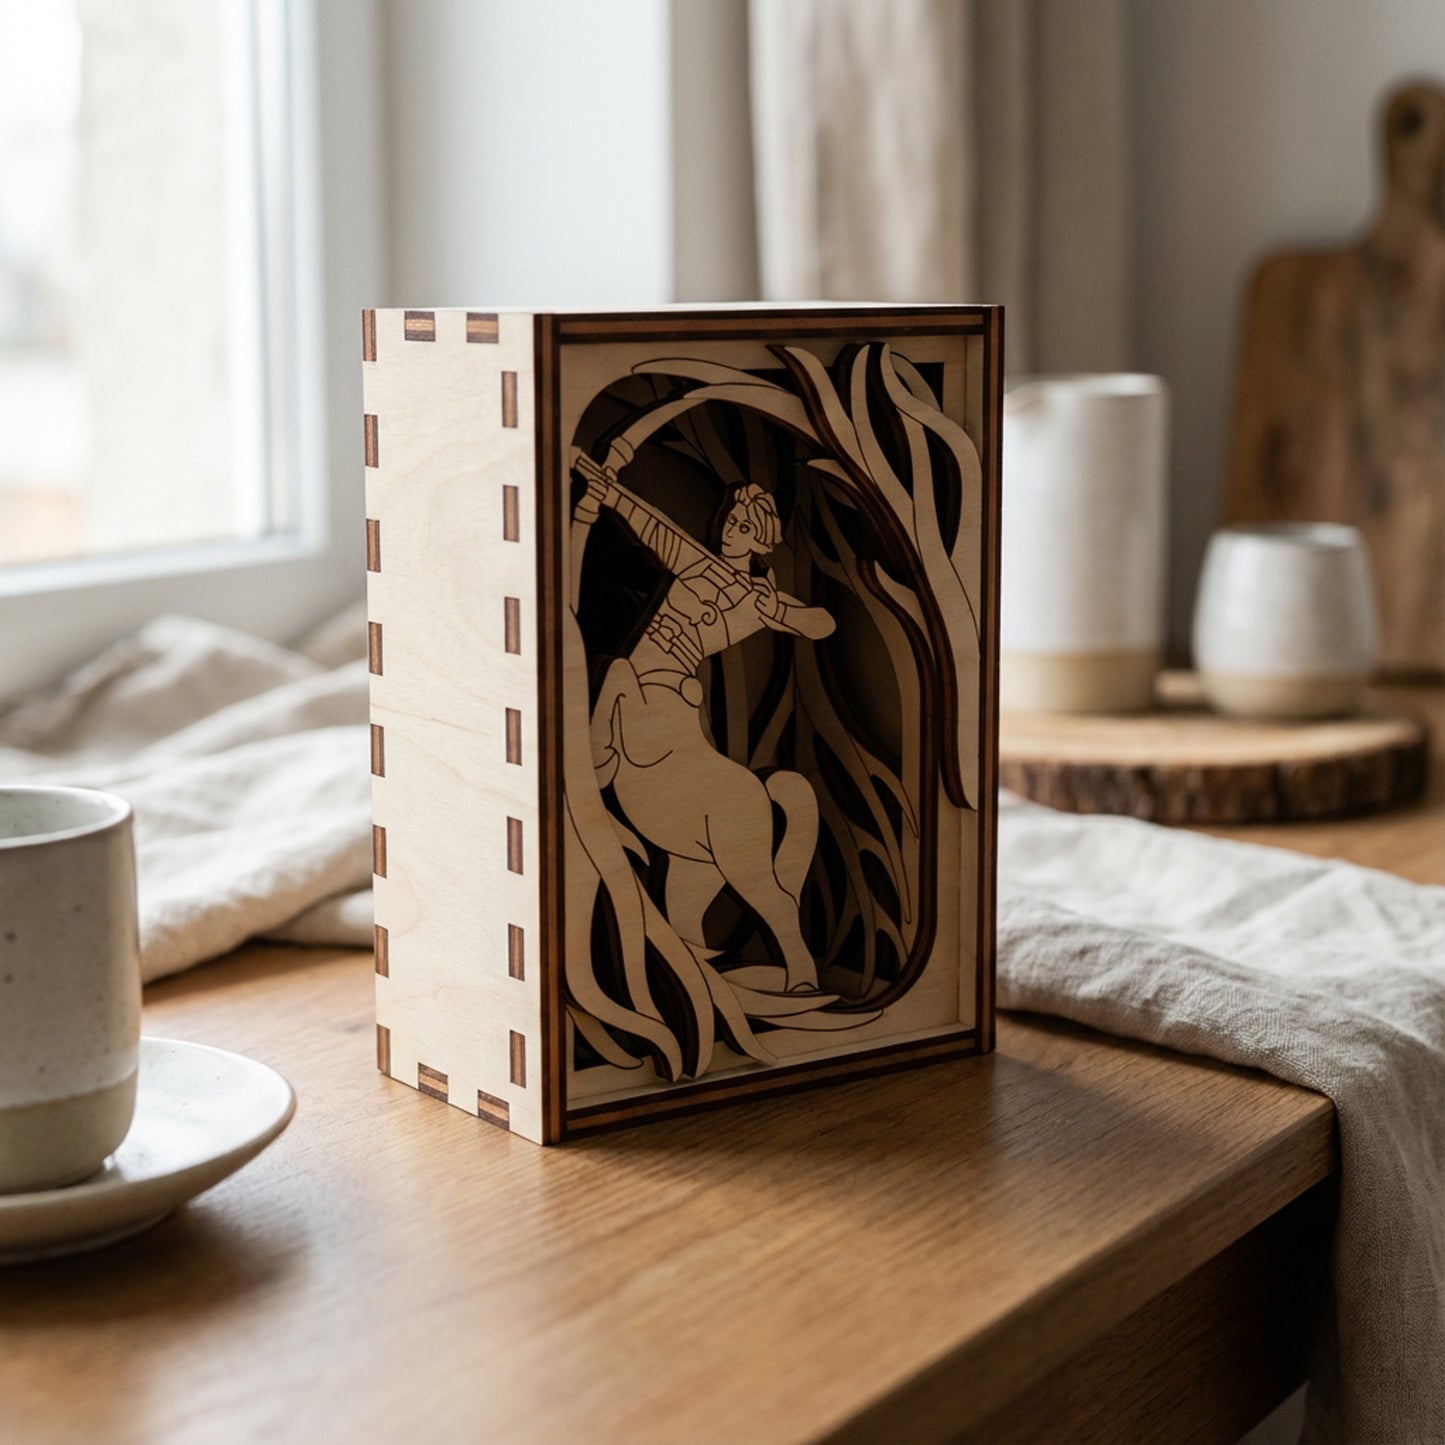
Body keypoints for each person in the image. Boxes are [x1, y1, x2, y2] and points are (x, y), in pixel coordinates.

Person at [573, 452, 834, 993]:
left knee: (617, 675)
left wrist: (779, 611)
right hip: (648, 679)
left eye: (745, 527)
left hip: (667, 688)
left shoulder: (756, 600)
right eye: (732, 520)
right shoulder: (695, 562)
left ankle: (801, 971)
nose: (734, 530)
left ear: (761, 540)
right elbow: (650, 524)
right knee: (682, 916)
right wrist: (607, 489)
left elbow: (822, 624)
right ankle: (701, 991)